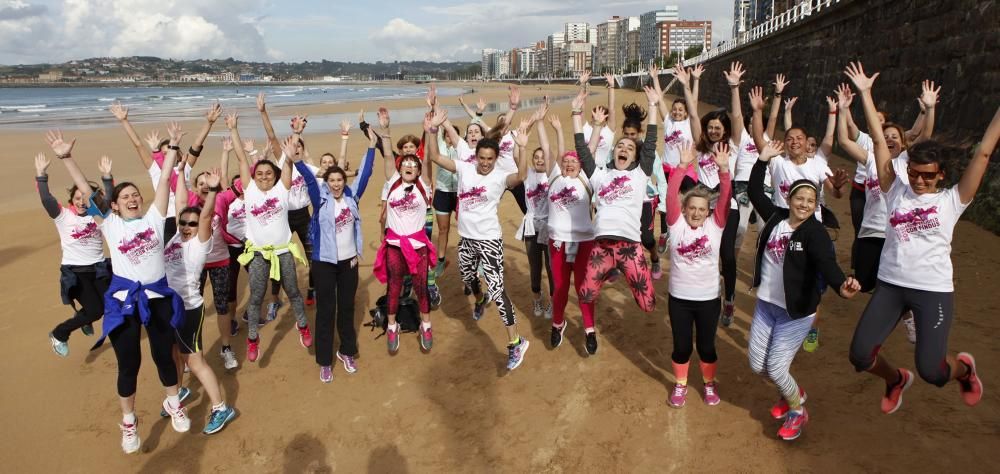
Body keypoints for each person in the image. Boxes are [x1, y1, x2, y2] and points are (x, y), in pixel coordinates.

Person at [845, 62, 994, 414]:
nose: (919, 180)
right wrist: (866, 93)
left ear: (941, 174)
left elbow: (984, 151)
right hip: (891, 286)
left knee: (933, 371)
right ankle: (895, 379)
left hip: (933, 290)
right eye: (913, 173)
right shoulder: (894, 189)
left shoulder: (951, 200)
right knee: (859, 354)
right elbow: (879, 139)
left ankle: (965, 369)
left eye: (927, 175)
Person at [49, 127, 192, 454]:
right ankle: (129, 422)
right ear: (113, 205)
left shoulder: (155, 219)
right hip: (124, 302)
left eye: (135, 195)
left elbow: (165, 180)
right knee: (129, 363)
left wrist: (171, 148)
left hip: (157, 297)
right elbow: (86, 189)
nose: (131, 198)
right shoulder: (109, 224)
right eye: (124, 196)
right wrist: (67, 157)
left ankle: (173, 402)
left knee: (164, 357)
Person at [747, 137, 861, 441]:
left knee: (775, 366)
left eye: (811, 201)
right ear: (790, 199)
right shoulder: (775, 218)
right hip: (766, 306)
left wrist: (841, 285)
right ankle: (792, 392)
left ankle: (797, 411)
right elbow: (755, 191)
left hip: (796, 313)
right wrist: (761, 160)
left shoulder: (815, 234)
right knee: (758, 365)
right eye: (800, 198)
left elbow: (828, 264)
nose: (804, 204)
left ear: (816, 205)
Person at [424, 108, 532, 371]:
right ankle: (479, 297)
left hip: (489, 241)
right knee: (468, 277)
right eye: (482, 157)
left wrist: (522, 149)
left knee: (498, 290)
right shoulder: (465, 168)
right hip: (467, 241)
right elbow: (436, 156)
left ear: (495, 159)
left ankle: (516, 341)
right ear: (476, 156)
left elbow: (522, 176)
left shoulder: (499, 177)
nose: (485, 162)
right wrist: (432, 131)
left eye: (489, 158)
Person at [749, 83, 848, 353]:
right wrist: (758, 111)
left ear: (807, 143)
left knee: (816, 281)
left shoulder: (817, 164)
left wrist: (838, 185)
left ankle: (809, 320)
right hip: (781, 226)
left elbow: (835, 193)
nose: (793, 141)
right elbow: (759, 140)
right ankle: (783, 322)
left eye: (799, 138)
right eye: (789, 138)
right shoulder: (779, 162)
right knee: (782, 280)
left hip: (812, 232)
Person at [571, 80, 661, 354]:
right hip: (602, 249)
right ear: (614, 151)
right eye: (620, 146)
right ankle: (611, 272)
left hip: (630, 248)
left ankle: (626, 272)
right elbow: (583, 153)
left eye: (629, 147)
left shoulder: (639, 173)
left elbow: (651, 143)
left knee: (648, 305)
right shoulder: (600, 174)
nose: (623, 148)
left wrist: (654, 107)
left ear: (635, 155)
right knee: (585, 294)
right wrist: (576, 115)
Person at [225, 112, 312, 363]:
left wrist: (296, 133)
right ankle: (253, 339)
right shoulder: (250, 190)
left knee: (293, 291)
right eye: (259, 173)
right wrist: (233, 129)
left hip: (283, 251)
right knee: (256, 297)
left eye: (268, 174)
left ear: (275, 177)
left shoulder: (282, 191)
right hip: (259, 255)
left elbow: (288, 162)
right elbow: (242, 159)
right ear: (252, 177)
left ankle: (303, 326)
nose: (264, 176)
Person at [300, 127, 377, 382]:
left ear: (344, 181)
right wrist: (296, 160)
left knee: (346, 308)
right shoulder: (320, 198)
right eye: (332, 180)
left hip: (349, 262)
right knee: (326, 310)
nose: (336, 184)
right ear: (327, 182)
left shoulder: (351, 196)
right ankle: (324, 360)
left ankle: (346, 351)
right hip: (324, 263)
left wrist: (371, 148)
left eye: (339, 180)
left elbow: (365, 175)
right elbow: (310, 180)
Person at [165, 166, 238, 434]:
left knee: (195, 361)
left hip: (188, 310)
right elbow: (182, 202)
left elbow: (205, 214)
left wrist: (214, 189)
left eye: (192, 224)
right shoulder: (175, 237)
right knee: (174, 355)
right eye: (184, 223)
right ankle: (180, 393)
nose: (187, 227)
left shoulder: (199, 244)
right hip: (168, 308)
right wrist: (180, 167)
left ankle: (221, 407)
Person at [665, 141, 732, 408]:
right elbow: (671, 194)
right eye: (691, 208)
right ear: (684, 210)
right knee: (682, 346)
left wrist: (724, 171)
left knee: (706, 346)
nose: (696, 212)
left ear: (708, 213)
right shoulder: (675, 225)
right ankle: (680, 385)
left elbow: (725, 198)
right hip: (679, 298)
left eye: (701, 209)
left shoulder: (715, 227)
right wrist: (682, 166)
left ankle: (708, 384)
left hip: (708, 299)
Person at [38, 152, 113, 357]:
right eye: (77, 198)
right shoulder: (63, 216)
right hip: (76, 271)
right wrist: (41, 175)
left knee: (109, 305)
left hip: (98, 268)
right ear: (71, 199)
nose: (81, 202)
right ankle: (59, 333)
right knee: (96, 311)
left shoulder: (98, 216)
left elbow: (109, 197)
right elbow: (46, 199)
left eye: (85, 198)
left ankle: (84, 317)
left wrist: (107, 178)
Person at [109, 101, 218, 242]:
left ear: (178, 154)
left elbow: (197, 145)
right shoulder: (155, 170)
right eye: (164, 153)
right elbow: (138, 145)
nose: (168, 156)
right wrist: (124, 121)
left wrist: (209, 123)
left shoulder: (183, 167)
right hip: (166, 219)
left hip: (188, 216)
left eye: (171, 151)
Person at [545, 114, 597, 350]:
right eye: (566, 161)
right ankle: (558, 324)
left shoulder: (586, 179)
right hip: (558, 241)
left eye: (573, 162)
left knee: (583, 287)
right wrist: (555, 129)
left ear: (581, 166)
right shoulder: (555, 177)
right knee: (560, 287)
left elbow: (591, 150)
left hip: (584, 240)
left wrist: (595, 125)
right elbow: (552, 152)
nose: (569, 164)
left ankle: (589, 329)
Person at [515, 103, 554, 317]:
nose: (540, 160)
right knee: (535, 267)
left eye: (542, 158)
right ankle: (538, 300)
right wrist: (525, 131)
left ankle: (552, 303)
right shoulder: (528, 174)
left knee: (551, 267)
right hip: (530, 226)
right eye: (536, 158)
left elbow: (548, 150)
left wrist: (540, 124)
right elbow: (515, 154)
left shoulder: (552, 174)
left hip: (549, 225)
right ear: (532, 161)